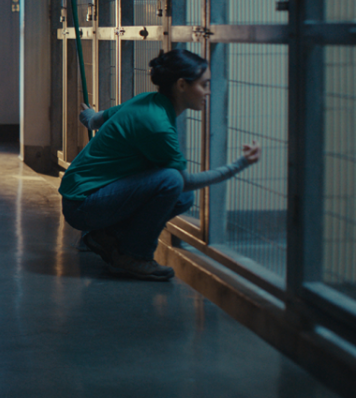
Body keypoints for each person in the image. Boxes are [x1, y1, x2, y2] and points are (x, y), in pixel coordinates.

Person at [58, 49, 261, 281]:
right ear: (182, 85)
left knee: (181, 197)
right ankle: (135, 257)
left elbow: (95, 121)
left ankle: (107, 237)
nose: (208, 91)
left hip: (85, 197)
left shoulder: (147, 100)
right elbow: (185, 181)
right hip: (83, 205)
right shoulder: (158, 124)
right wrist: (240, 164)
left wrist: (88, 115)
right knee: (172, 181)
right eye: (204, 85)